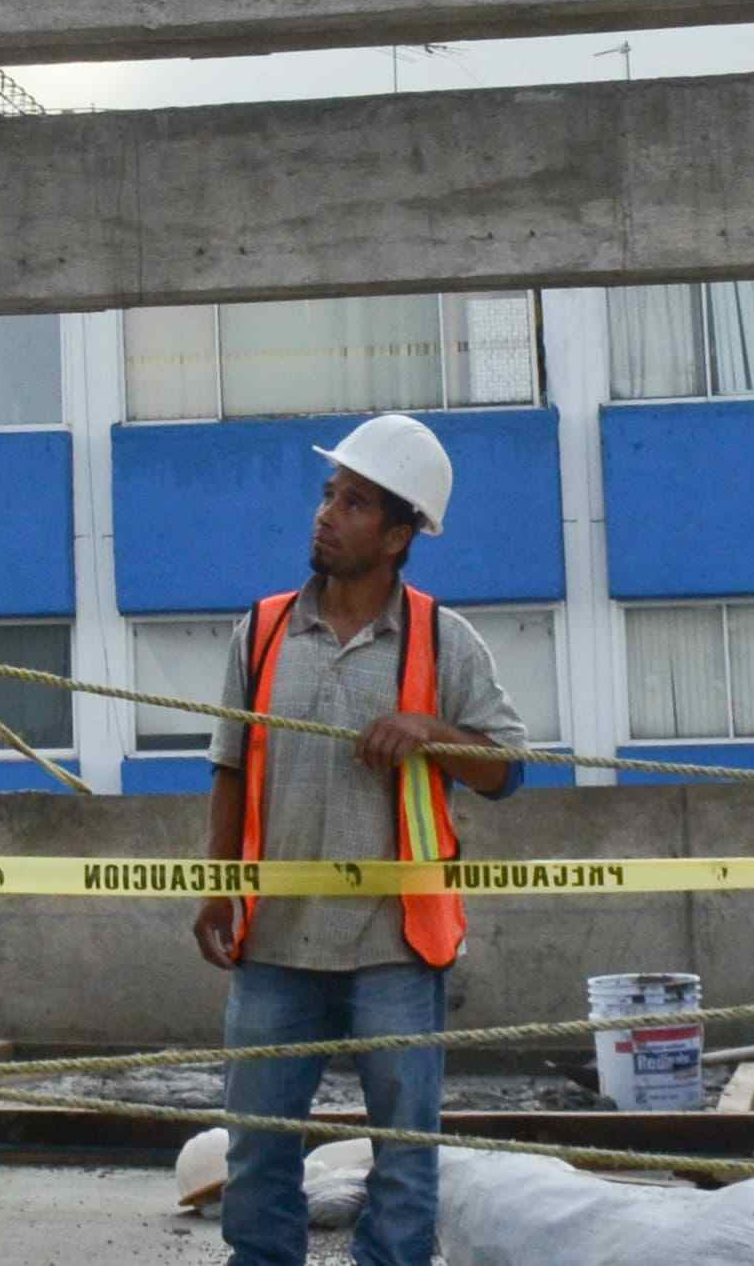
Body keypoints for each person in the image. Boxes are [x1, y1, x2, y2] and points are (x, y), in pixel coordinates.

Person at [190, 413, 528, 1266]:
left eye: (354, 502)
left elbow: (507, 770)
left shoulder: (441, 639)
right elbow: (229, 770)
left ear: (400, 534)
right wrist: (217, 885)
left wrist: (431, 730)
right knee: (258, 1145)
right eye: (327, 495)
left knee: (404, 1154)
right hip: (274, 934)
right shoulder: (263, 631)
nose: (326, 514)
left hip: (395, 940)